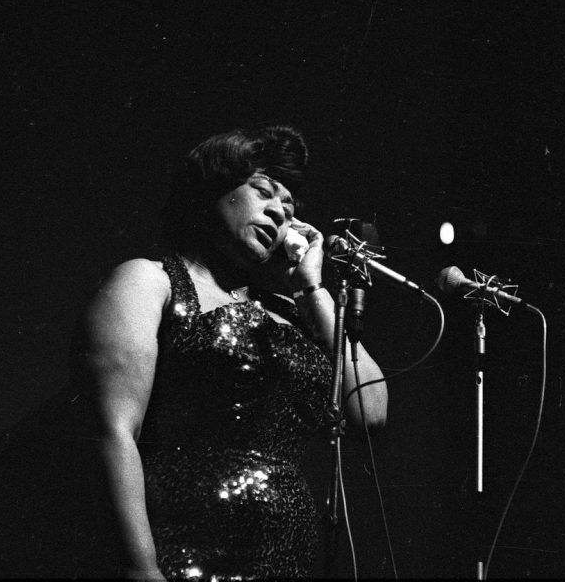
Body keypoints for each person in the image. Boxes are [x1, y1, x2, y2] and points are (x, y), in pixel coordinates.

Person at [74, 125, 387, 580]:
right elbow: (110, 430)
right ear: (212, 193)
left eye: (289, 208)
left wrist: (312, 289)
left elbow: (370, 411)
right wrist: (139, 568)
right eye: (263, 192)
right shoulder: (149, 281)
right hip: (181, 557)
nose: (279, 212)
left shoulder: (290, 314)